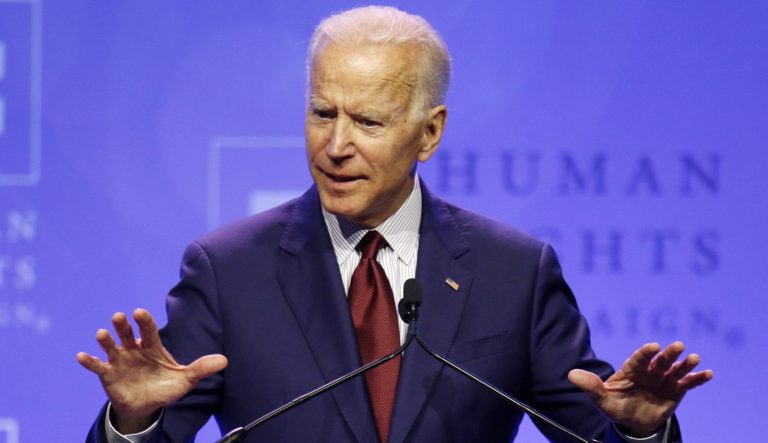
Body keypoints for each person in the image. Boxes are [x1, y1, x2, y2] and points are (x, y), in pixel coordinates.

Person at [77, 6, 713, 443]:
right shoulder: (228, 271)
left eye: (369, 122)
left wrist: (639, 431)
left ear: (429, 132)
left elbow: (591, 428)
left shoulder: (511, 272)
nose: (335, 145)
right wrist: (132, 423)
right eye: (323, 113)